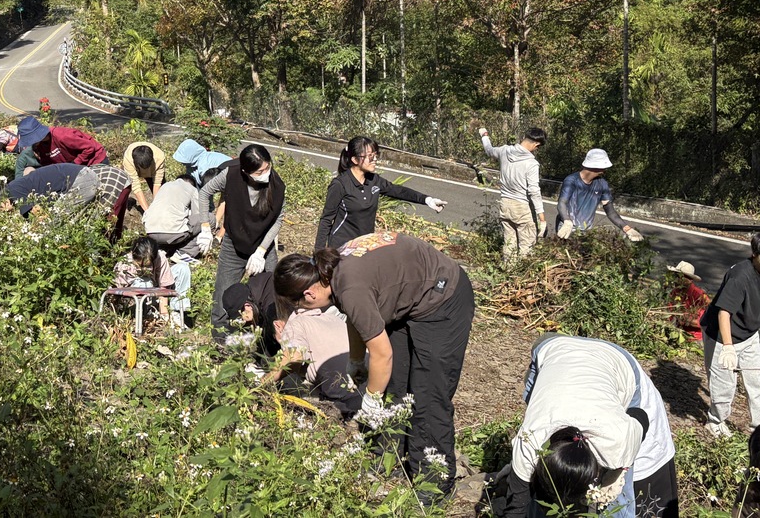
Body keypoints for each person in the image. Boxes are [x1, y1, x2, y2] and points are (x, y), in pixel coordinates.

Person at [274, 233, 474, 498]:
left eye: (299, 305)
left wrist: (370, 399)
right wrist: (356, 360)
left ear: (309, 293)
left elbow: (382, 354)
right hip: (409, 297)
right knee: (395, 384)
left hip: (443, 297)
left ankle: (433, 486)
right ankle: (385, 461)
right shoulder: (331, 268)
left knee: (428, 395)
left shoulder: (349, 286)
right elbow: (356, 319)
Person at [504, 335, 678, 518]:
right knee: (533, 504)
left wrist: (619, 471)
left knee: (616, 503)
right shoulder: (528, 447)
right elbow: (515, 509)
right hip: (552, 350)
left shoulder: (617, 438)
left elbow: (641, 415)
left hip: (616, 363)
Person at [202, 144, 285, 330]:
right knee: (223, 288)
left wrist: (261, 251)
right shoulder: (230, 175)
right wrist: (205, 227)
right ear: (246, 172)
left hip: (263, 243)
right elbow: (204, 192)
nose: (266, 173)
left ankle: (266, 330)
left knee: (272, 288)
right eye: (260, 171)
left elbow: (278, 219)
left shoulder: (277, 185)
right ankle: (220, 331)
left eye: (267, 167)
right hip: (234, 243)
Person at [315, 136, 446, 252]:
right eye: (370, 156)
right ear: (355, 159)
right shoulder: (340, 184)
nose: (375, 159)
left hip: (364, 246)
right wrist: (319, 254)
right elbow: (326, 219)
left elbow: (398, 191)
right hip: (342, 247)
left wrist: (427, 200)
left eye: (376, 155)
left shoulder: (374, 180)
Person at [266, 273, 364, 415]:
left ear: (278, 327)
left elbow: (294, 359)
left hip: (347, 401)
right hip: (371, 390)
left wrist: (262, 383)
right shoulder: (331, 318)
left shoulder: (294, 325)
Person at [702, 233, 760, 438]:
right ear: (755, 254)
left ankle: (758, 428)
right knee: (724, 385)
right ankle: (715, 422)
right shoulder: (740, 277)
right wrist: (728, 347)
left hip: (750, 334)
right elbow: (724, 313)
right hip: (722, 335)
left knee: (757, 382)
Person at [477, 126, 546, 262]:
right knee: (527, 246)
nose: (537, 150)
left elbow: (489, 151)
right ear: (536, 144)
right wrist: (542, 218)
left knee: (509, 243)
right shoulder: (531, 163)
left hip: (505, 203)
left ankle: (508, 271)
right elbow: (534, 191)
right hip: (522, 207)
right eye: (538, 147)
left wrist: (485, 135)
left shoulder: (504, 151)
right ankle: (522, 278)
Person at [555, 148, 644, 242]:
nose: (605, 170)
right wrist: (567, 221)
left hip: (586, 230)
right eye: (603, 167)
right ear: (596, 167)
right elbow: (562, 203)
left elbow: (610, 211)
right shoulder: (572, 180)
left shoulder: (602, 184)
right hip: (566, 227)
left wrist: (627, 229)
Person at [113, 235, 189, 331]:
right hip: (135, 299)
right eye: (141, 265)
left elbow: (164, 287)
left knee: (183, 269)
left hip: (156, 293)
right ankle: (142, 316)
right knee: (145, 281)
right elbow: (116, 291)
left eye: (148, 265)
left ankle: (176, 312)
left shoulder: (160, 257)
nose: (144, 268)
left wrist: (164, 314)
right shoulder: (124, 264)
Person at [143, 175, 210, 260]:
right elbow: (197, 214)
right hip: (173, 234)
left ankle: (163, 248)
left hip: (150, 232)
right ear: (192, 184)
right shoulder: (192, 189)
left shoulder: (165, 186)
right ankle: (185, 252)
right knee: (209, 218)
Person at [0, 163, 98, 217]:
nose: (1, 212)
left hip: (81, 179)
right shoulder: (17, 186)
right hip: (83, 175)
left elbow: (38, 213)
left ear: (5, 201)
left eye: (0, 209)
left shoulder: (14, 190)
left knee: (56, 222)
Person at [221, 271, 281, 358]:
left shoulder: (272, 310)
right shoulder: (256, 286)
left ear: (248, 306)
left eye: (241, 319)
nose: (242, 323)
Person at [15, 116, 108, 171]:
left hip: (95, 160)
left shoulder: (63, 136)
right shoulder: (40, 146)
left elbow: (89, 148)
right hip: (77, 167)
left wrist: (75, 163)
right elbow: (48, 164)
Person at [667, 260, 710, 342]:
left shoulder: (700, 296)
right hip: (678, 332)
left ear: (688, 279)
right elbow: (670, 312)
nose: (676, 280)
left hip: (695, 337)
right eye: (676, 276)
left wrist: (685, 319)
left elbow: (705, 322)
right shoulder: (675, 292)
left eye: (679, 277)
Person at [123, 141, 165, 210]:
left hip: (153, 169)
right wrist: (147, 212)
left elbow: (157, 183)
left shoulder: (159, 157)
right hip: (134, 168)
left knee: (162, 194)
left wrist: (156, 208)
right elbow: (136, 187)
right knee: (125, 190)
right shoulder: (128, 160)